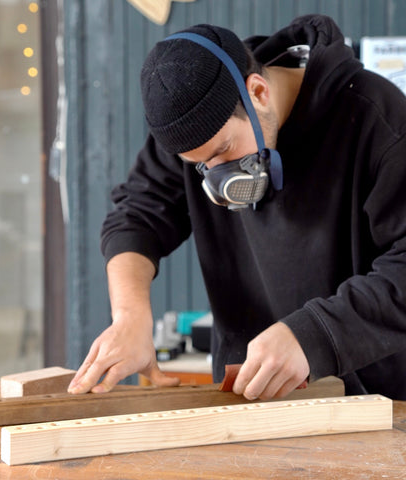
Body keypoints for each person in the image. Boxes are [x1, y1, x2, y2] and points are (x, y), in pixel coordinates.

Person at [68, 14, 406, 400]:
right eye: (200, 166)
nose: (217, 180)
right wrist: (130, 316)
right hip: (246, 399)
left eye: (224, 152)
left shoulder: (377, 120)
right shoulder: (195, 128)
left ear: (258, 92)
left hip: (375, 408)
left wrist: (313, 336)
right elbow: (137, 212)